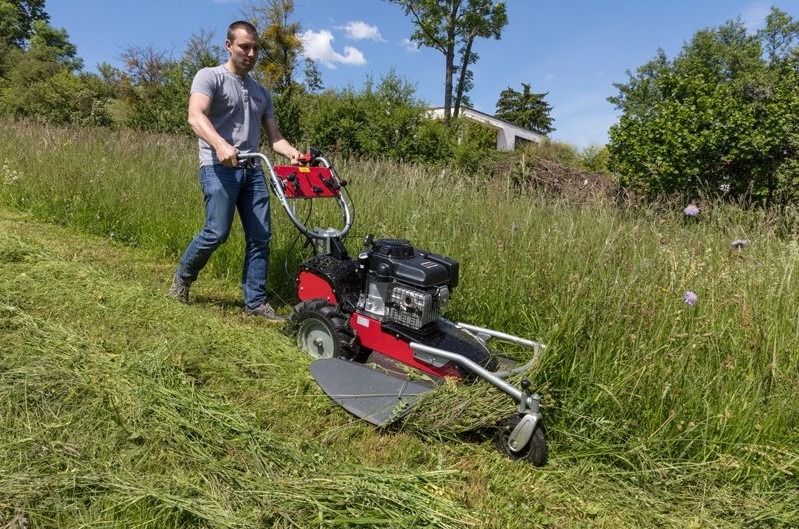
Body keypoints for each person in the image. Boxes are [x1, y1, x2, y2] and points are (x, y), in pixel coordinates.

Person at [169, 20, 302, 321]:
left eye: (256, 48)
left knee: (261, 237)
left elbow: (275, 139)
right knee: (217, 232)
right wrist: (220, 144)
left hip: (252, 170)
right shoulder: (210, 77)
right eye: (244, 47)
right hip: (219, 167)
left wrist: (294, 153)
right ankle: (182, 280)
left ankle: (255, 303)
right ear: (229, 46)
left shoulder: (261, 92)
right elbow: (195, 116)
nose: (251, 54)